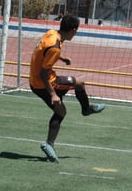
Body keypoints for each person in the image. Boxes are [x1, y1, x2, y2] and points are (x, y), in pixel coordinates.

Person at [29, 14, 106, 163]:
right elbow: (44, 73)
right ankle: (86, 109)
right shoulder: (55, 47)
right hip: (44, 82)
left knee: (61, 111)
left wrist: (62, 58)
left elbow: (43, 52)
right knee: (79, 84)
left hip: (34, 82)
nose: (76, 34)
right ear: (72, 30)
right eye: (76, 31)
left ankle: (49, 145)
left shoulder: (52, 34)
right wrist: (53, 94)